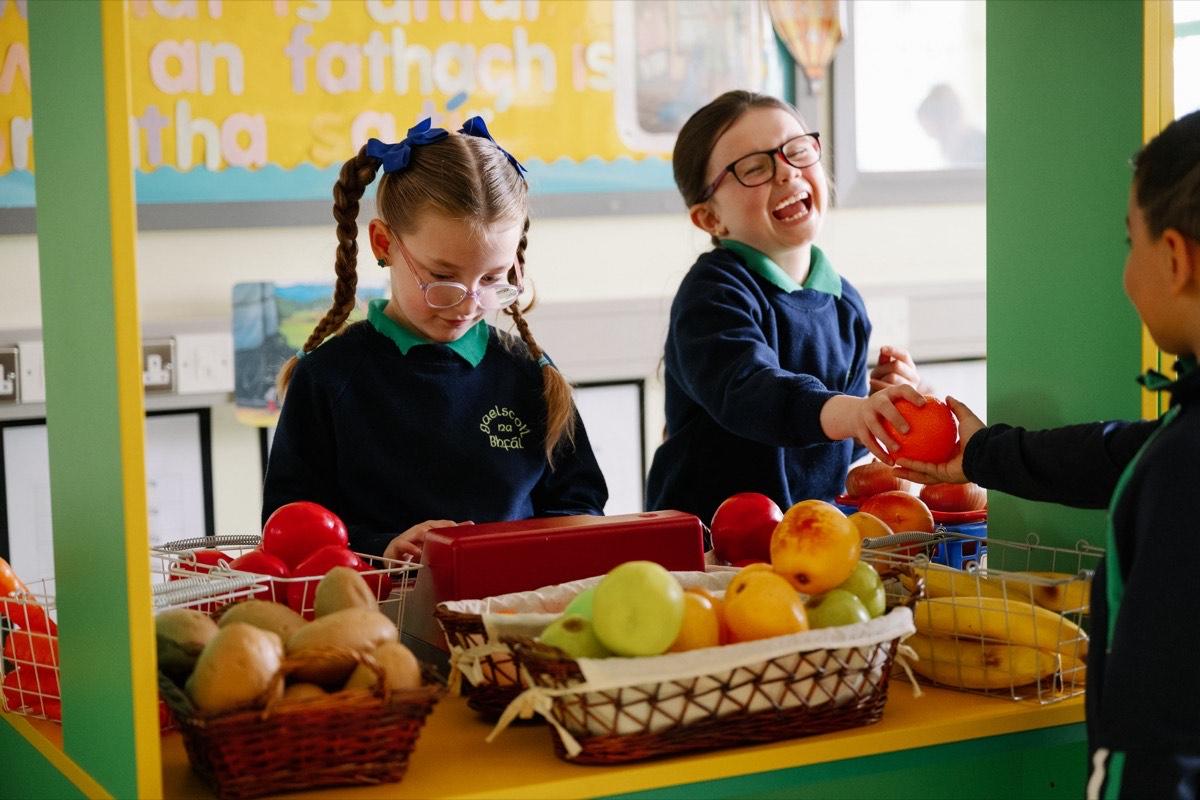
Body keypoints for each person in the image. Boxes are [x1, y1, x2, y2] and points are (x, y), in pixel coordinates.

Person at [895, 109, 1200, 799]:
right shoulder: (1178, 449)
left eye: (1132, 243)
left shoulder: (1185, 471)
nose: (1126, 275)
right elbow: (1121, 452)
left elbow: (1155, 738)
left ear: (1176, 259)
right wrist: (982, 454)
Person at [262, 117, 608, 561]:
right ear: (383, 243)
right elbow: (290, 531)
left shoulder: (529, 375)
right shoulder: (329, 379)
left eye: (492, 278)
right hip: (379, 617)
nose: (467, 303)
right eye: (443, 276)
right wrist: (382, 548)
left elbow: (580, 506)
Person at [645, 90, 925, 528]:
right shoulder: (713, 292)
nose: (786, 173)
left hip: (807, 539)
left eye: (797, 151)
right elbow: (755, 395)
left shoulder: (844, 302)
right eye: (754, 168)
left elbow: (826, 441)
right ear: (710, 219)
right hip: (706, 545)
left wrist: (876, 410)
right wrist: (851, 412)